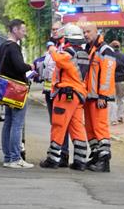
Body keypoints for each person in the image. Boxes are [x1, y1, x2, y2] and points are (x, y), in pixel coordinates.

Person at [38, 24, 90, 171]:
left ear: (67, 38)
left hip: (66, 94)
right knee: (77, 127)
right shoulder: (84, 53)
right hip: (79, 95)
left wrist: (51, 47)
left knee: (58, 125)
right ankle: (80, 160)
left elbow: (58, 59)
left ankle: (53, 159)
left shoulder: (70, 53)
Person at [81, 22, 117, 173]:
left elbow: (107, 75)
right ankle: (96, 155)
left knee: (100, 128)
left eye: (88, 31)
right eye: (84, 32)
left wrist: (103, 95)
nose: (86, 35)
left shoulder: (105, 50)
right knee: (90, 128)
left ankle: (104, 160)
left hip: (98, 97)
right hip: (89, 96)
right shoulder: (90, 49)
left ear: (97, 32)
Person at [0, 19, 33, 168]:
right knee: (17, 124)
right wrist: (29, 66)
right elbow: (19, 67)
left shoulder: (3, 46)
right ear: (14, 30)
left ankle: (7, 157)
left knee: (8, 123)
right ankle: (15, 158)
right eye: (22, 30)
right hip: (17, 89)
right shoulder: (13, 47)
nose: (24, 32)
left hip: (6, 88)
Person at [36, 22, 71, 166]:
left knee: (62, 124)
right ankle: (56, 152)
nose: (55, 31)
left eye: (57, 29)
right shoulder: (52, 47)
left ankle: (62, 154)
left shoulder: (65, 47)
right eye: (53, 29)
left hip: (61, 91)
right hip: (50, 91)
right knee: (55, 123)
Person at [109, 40, 124, 125]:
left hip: (112, 80)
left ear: (111, 47)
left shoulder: (109, 56)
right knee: (121, 99)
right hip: (122, 80)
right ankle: (120, 117)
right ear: (119, 47)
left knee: (112, 100)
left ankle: (113, 120)